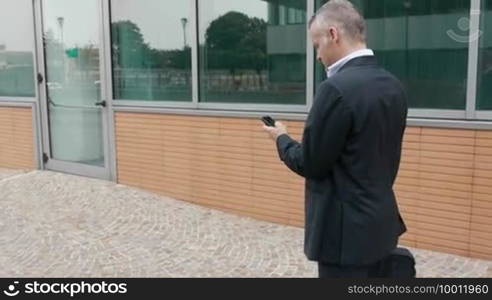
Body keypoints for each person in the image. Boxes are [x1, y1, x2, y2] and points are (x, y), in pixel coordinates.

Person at [262, 0, 408, 278]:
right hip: (381, 225)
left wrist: (281, 138)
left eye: (317, 45)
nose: (317, 55)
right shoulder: (393, 85)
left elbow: (310, 163)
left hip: (345, 239)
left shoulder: (336, 89)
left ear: (333, 34)